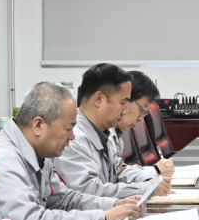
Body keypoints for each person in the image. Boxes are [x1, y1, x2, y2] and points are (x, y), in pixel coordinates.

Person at [0, 82, 142, 220]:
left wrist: (112, 205)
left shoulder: (40, 151)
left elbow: (63, 199)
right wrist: (101, 219)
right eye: (68, 128)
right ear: (38, 125)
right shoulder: (5, 162)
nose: (72, 136)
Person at [57, 62, 169, 199]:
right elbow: (90, 192)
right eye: (122, 103)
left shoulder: (107, 134)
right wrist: (146, 188)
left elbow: (118, 172)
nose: (124, 111)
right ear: (99, 100)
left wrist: (152, 177)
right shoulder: (73, 140)